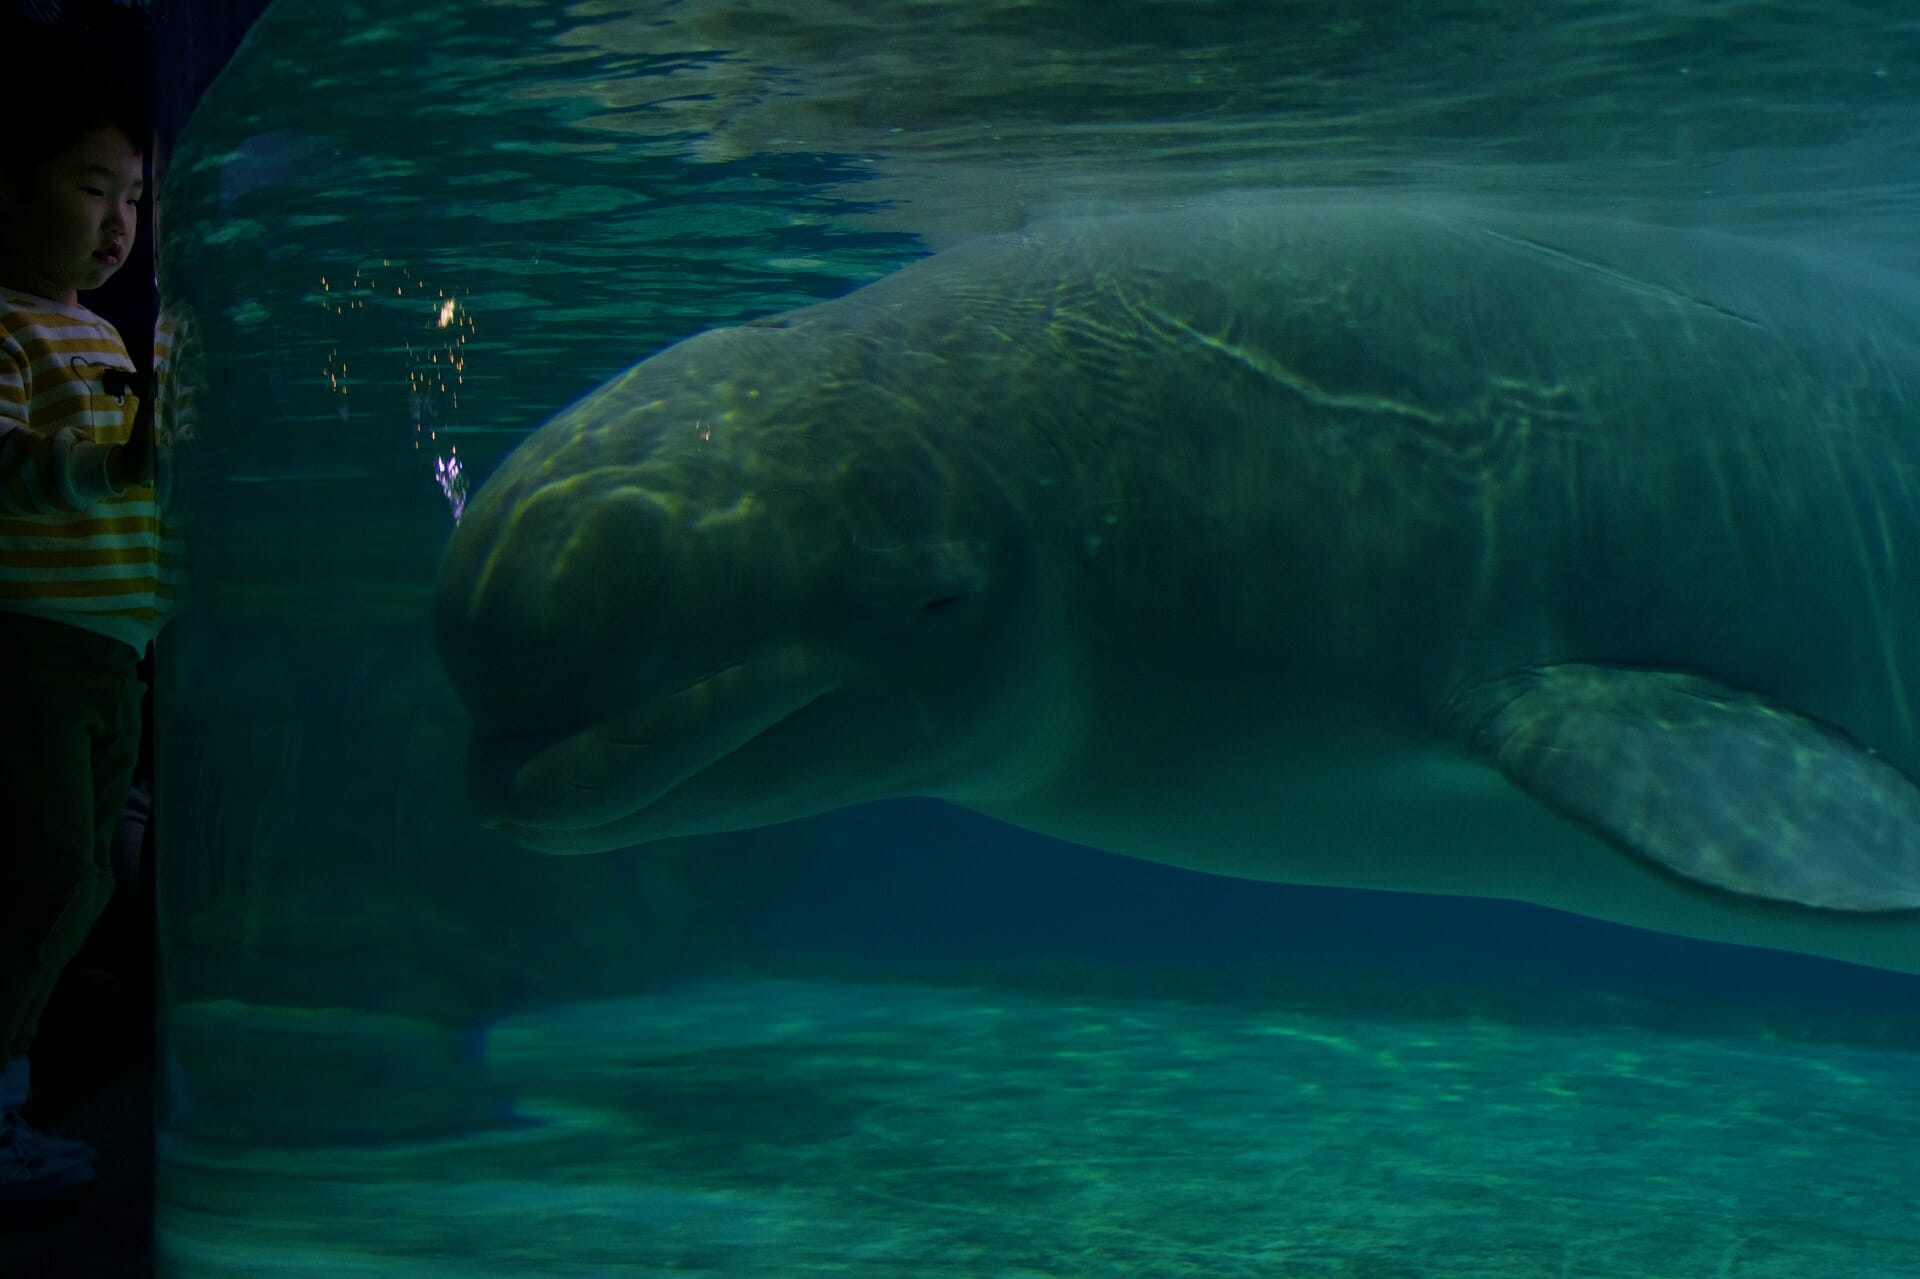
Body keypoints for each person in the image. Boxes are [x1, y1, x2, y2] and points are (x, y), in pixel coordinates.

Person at [0, 48, 166, 1205]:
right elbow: (14, 468)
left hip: (113, 657)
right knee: (46, 877)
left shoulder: (107, 338)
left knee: (78, 885)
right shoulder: (8, 328)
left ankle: (9, 1107)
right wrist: (122, 462)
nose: (117, 222)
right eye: (90, 185)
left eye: (135, 197)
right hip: (29, 648)